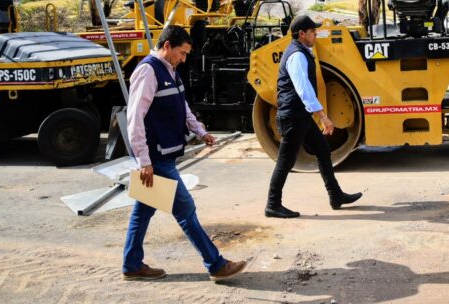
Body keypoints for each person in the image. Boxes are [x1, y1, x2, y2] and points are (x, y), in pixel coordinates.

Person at [122, 25, 246, 282]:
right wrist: (144, 161)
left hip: (163, 155)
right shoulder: (148, 71)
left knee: (143, 211)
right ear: (167, 46)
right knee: (185, 209)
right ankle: (216, 264)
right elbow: (134, 119)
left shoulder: (170, 70)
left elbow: (183, 107)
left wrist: (200, 131)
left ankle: (132, 265)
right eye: (182, 53)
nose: (184, 58)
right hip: (156, 159)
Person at [265, 15, 362, 219]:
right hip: (293, 115)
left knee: (322, 149)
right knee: (285, 161)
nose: (315, 34)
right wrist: (323, 116)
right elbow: (304, 90)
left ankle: (335, 196)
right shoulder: (297, 56)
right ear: (302, 34)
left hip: (299, 115)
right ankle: (272, 204)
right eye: (312, 32)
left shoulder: (301, 52)